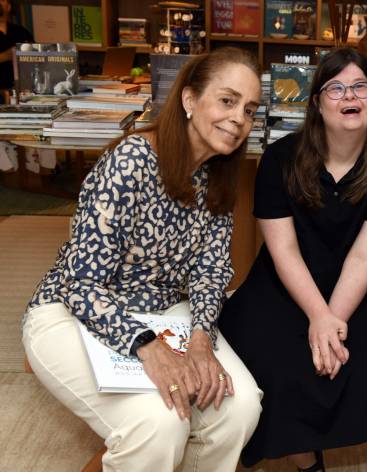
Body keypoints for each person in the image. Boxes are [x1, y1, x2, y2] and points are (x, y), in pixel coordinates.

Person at [22, 47, 264, 471]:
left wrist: (201, 340)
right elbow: (82, 284)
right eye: (227, 100)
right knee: (159, 421)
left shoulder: (218, 177)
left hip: (163, 312)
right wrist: (149, 348)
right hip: (73, 311)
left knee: (241, 405)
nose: (239, 118)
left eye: (249, 108)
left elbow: (210, 273)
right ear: (190, 100)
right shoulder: (131, 160)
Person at [218, 47, 367, 471]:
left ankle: (313, 443)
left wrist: (332, 322)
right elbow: (284, 251)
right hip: (283, 282)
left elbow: (366, 256)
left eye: (361, 86)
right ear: (316, 103)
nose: (350, 95)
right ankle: (305, 459)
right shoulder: (280, 159)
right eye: (336, 88)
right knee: (272, 363)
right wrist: (317, 317)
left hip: (354, 288)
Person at [0, 0, 32, 101]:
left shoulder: (20, 31)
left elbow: (37, 55)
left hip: (20, 91)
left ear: (8, 7)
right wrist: (6, 56)